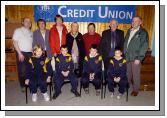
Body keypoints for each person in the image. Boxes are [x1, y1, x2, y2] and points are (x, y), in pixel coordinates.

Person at [124, 16, 148, 96]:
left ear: (140, 22)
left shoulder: (143, 32)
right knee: (128, 73)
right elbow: (126, 43)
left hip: (136, 58)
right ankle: (127, 86)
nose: (134, 22)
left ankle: (135, 90)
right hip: (127, 56)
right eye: (133, 21)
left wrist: (139, 58)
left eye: (136, 21)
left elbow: (144, 46)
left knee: (136, 75)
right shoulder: (129, 31)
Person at [12, 17, 33, 92]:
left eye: (29, 22)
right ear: (22, 22)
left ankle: (29, 83)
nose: (28, 23)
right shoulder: (18, 30)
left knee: (30, 70)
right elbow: (14, 42)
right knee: (22, 70)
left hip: (30, 53)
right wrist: (19, 53)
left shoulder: (31, 32)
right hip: (21, 53)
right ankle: (23, 86)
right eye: (26, 21)